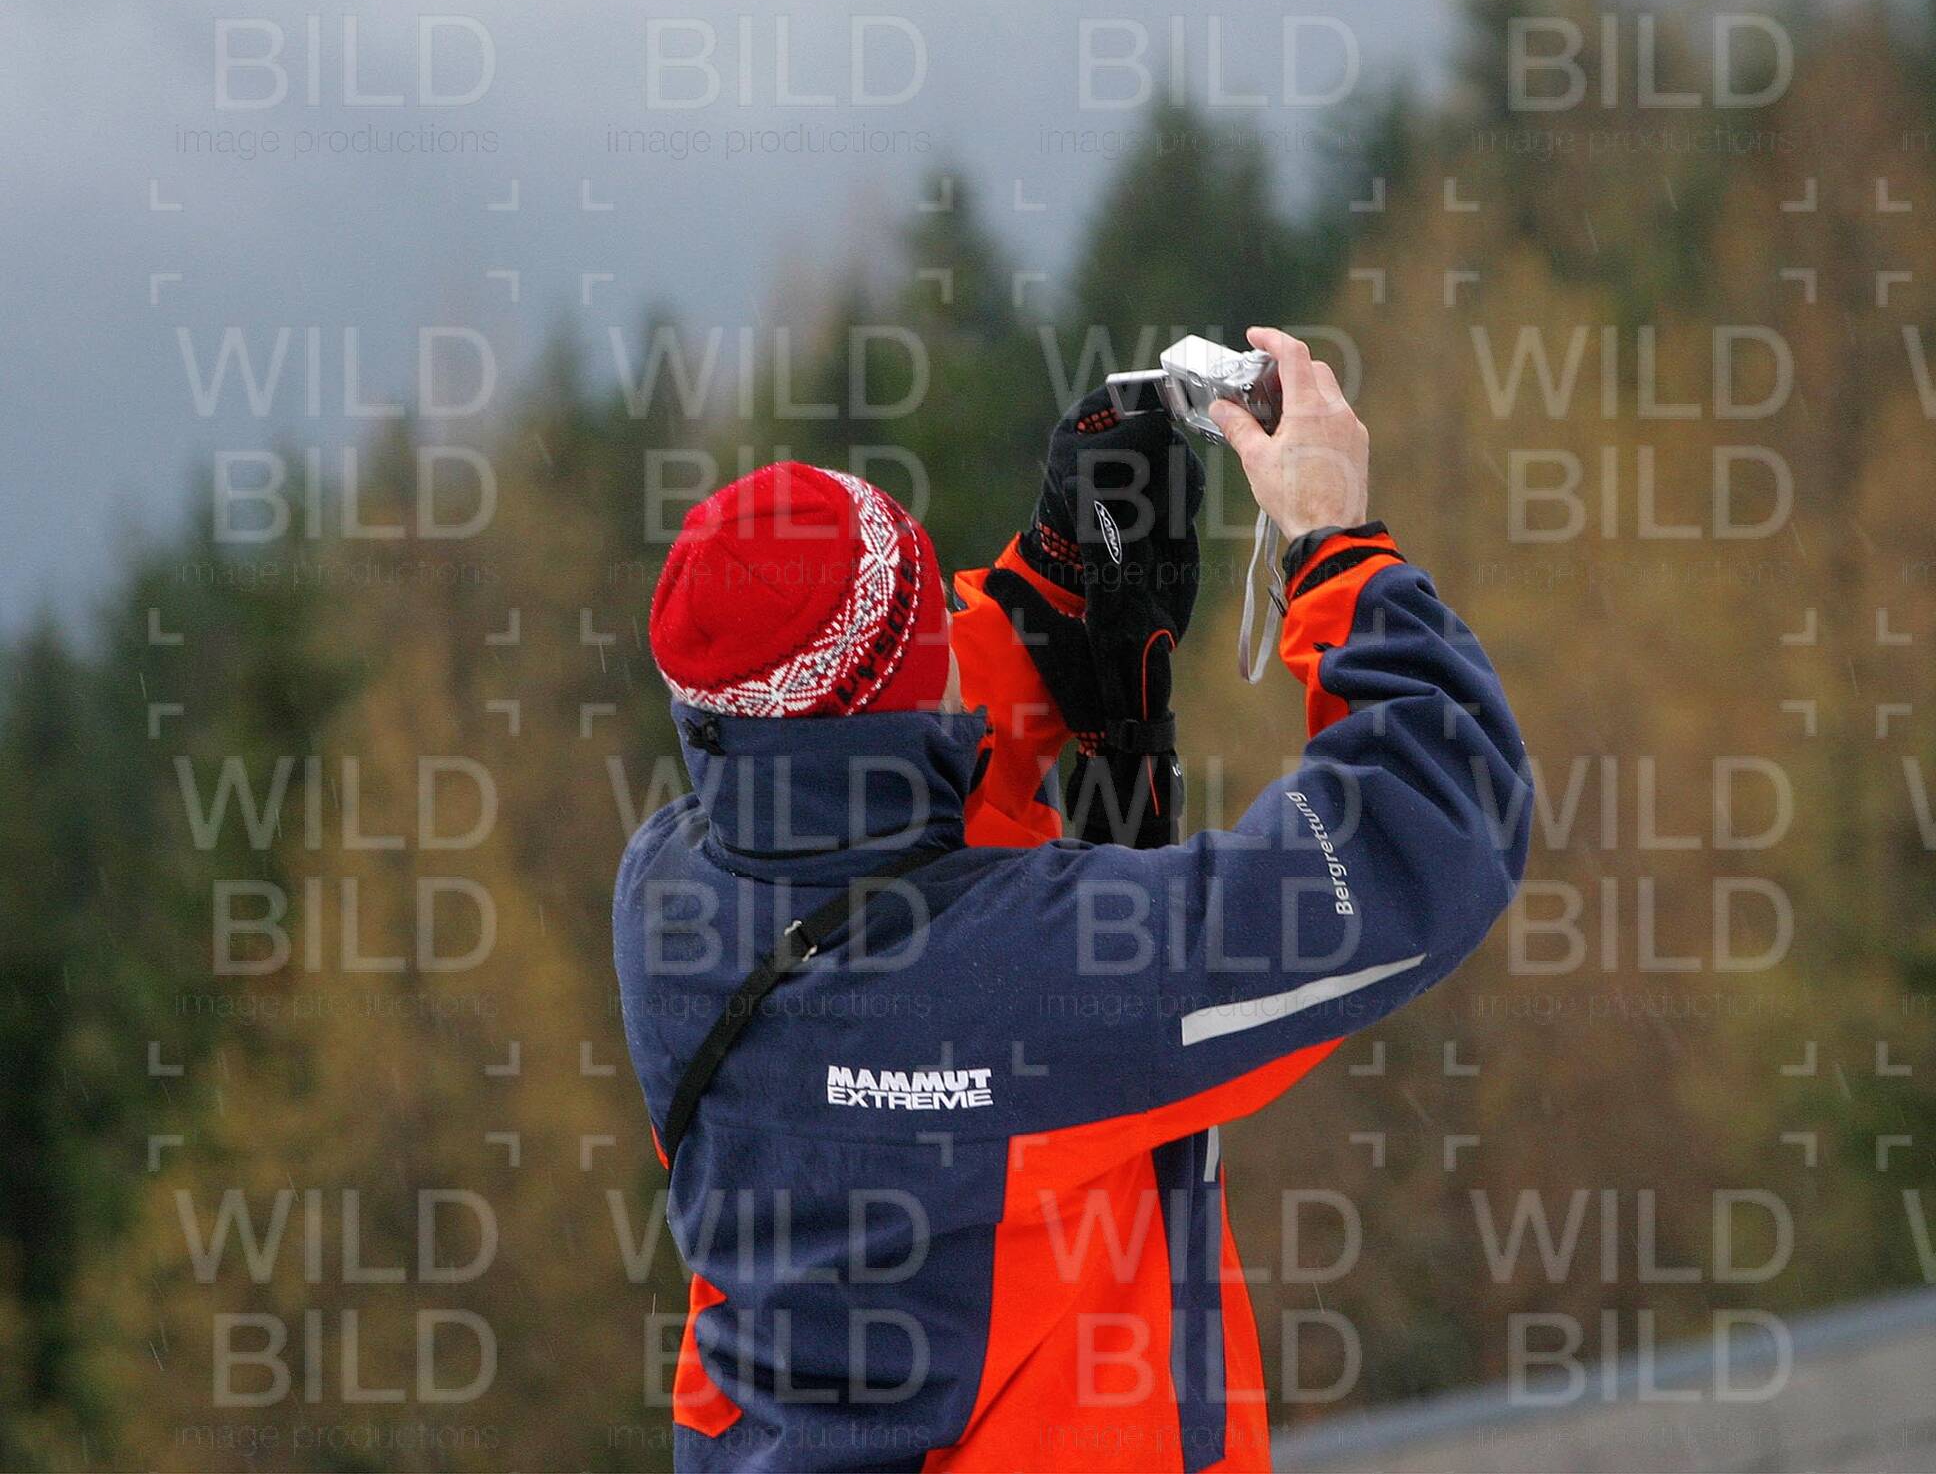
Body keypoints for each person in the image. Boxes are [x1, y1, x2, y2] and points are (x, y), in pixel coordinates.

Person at [614, 328, 1530, 1472]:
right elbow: (1436, 818)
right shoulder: (1027, 975)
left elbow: (853, 795)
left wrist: (1052, 590)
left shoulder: (671, 892)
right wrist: (1336, 547)